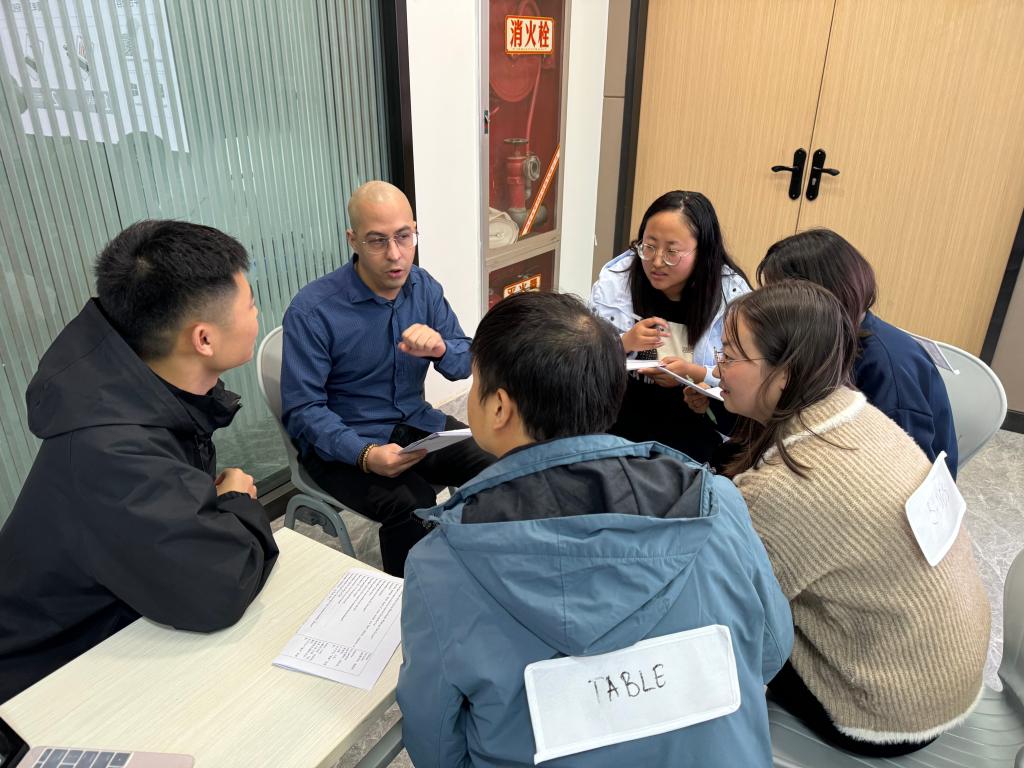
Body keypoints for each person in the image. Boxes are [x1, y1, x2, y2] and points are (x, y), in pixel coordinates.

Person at [397, 292, 793, 768]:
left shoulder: (442, 562)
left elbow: (437, 745)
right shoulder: (716, 502)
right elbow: (770, 649)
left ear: (499, 407)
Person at [0, 220, 279, 704]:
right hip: (43, 679)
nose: (257, 314)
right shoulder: (115, 450)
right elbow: (219, 586)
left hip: (116, 625)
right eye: (251, 304)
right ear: (204, 339)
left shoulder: (138, 389)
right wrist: (237, 500)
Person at [713, 280, 989, 757]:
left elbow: (735, 604)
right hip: (944, 670)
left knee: (717, 624)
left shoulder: (787, 486)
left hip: (885, 709)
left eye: (730, 355)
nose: (716, 366)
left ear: (785, 374)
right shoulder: (858, 415)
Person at [280, 181, 493, 576]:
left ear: (415, 231)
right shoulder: (313, 310)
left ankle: (481, 571)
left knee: (500, 463)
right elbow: (303, 410)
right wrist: (364, 454)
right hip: (343, 444)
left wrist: (441, 349)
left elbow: (464, 363)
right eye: (377, 241)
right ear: (353, 240)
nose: (395, 254)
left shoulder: (423, 287)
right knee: (412, 505)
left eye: (403, 236)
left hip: (416, 424)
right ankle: (404, 601)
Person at [757, 228, 959, 475]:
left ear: (819, 294)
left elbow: (906, 473)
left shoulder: (886, 367)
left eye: (780, 296)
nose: (772, 308)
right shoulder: (833, 338)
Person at [590, 190, 750, 462]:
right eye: (649, 246)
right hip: (620, 420)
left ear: (703, 251)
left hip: (692, 427)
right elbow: (584, 356)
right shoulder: (616, 281)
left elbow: (745, 377)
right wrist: (622, 343)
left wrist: (692, 373)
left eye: (672, 252)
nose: (656, 261)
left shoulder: (730, 298)